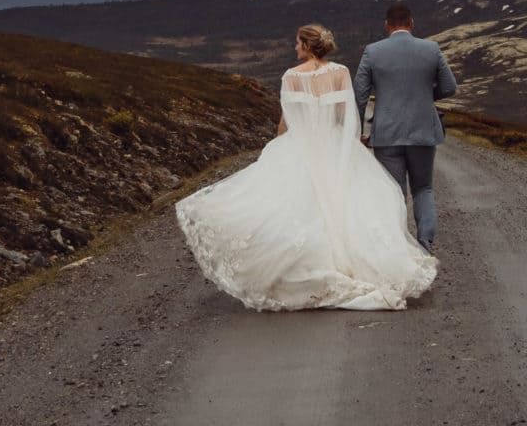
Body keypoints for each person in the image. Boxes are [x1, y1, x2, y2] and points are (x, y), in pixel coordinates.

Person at [173, 23, 437, 311]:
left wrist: (275, 148)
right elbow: (345, 115)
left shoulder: (291, 76)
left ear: (308, 45)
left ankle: (304, 268)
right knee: (345, 207)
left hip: (301, 144)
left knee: (297, 208)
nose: (294, 47)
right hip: (333, 143)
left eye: (297, 42)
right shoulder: (340, 72)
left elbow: (286, 120)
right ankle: (356, 265)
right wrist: (348, 145)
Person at [354, 0, 456, 250]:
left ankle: (398, 247)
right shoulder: (431, 49)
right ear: (412, 23)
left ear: (386, 25)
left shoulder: (373, 51)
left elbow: (359, 94)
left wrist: (358, 131)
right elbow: (449, 87)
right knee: (423, 188)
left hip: (387, 133)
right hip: (423, 131)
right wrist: (424, 96)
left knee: (394, 191)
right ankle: (425, 241)